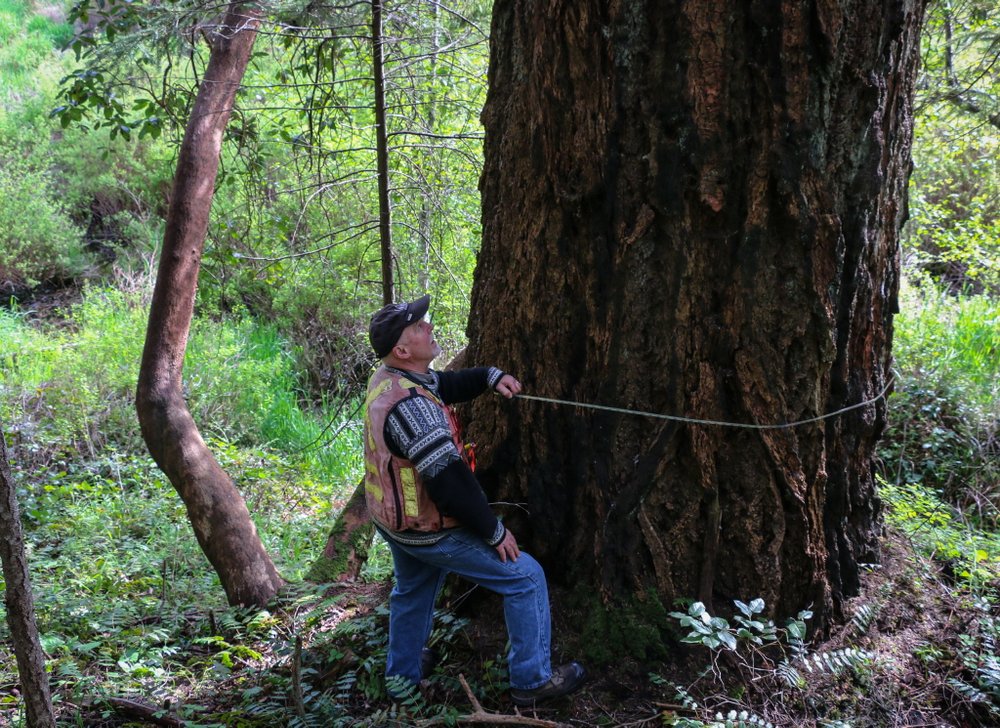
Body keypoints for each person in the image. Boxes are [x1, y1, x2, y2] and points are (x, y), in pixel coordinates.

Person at [363, 293, 586, 707]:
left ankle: (402, 674)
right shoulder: (413, 410)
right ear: (402, 348)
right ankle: (532, 680)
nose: (428, 327)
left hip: (396, 523)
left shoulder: (392, 379)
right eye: (418, 326)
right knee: (526, 578)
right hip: (427, 530)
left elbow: (444, 385)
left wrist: (487, 376)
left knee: (412, 590)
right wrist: (493, 529)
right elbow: (450, 483)